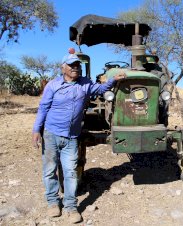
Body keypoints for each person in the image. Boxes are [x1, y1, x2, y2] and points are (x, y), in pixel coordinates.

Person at [32, 50, 126, 223]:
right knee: (50, 171)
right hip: (51, 134)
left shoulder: (85, 84)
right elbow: (43, 108)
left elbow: (101, 89)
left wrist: (113, 80)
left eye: (78, 65)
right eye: (72, 65)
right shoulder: (53, 85)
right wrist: (36, 130)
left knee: (70, 172)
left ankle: (70, 207)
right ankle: (53, 203)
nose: (76, 67)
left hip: (71, 137)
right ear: (63, 68)